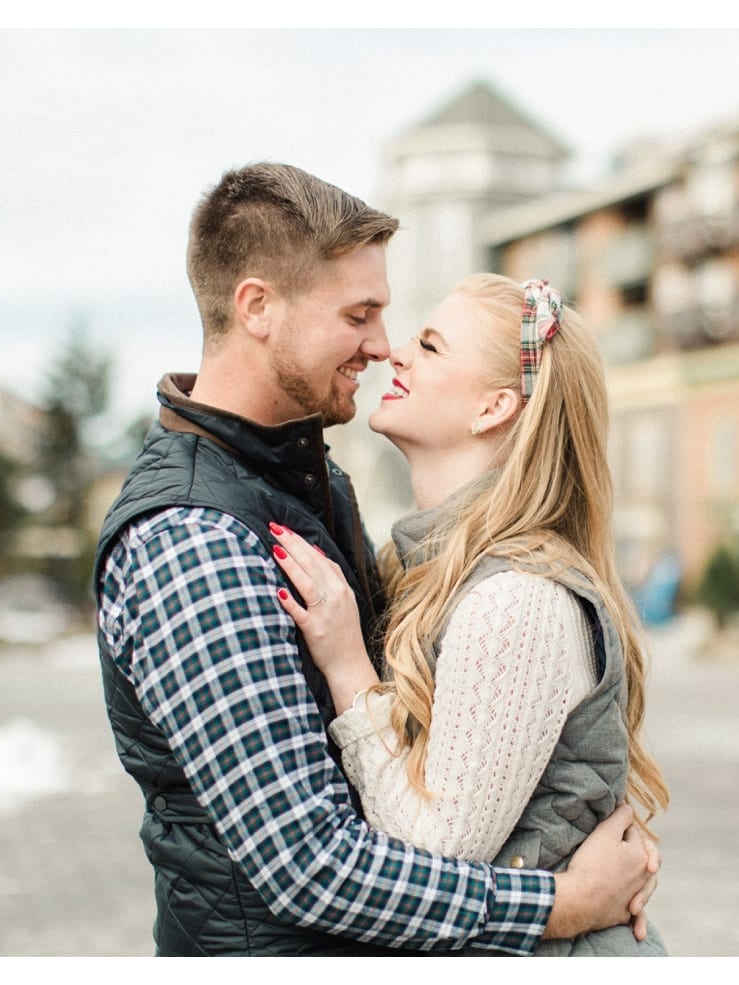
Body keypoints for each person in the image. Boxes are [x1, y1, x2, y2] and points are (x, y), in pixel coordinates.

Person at [93, 162, 658, 956]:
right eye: (360, 314)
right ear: (257, 306)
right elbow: (311, 862)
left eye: (404, 327)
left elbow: (452, 745)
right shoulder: (194, 535)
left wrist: (576, 823)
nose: (382, 346)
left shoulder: (317, 484)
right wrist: (560, 899)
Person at [268, 273, 670, 955]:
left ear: (493, 407)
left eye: (429, 346)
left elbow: (433, 852)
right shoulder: (434, 569)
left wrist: (346, 666)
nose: (395, 353)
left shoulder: (517, 599)